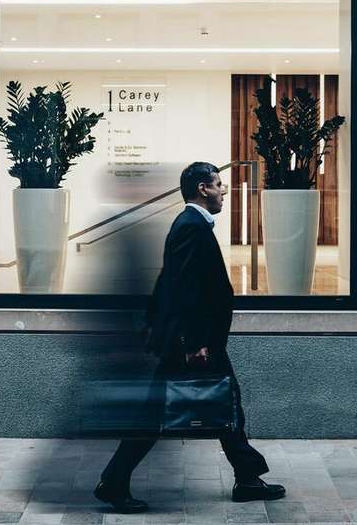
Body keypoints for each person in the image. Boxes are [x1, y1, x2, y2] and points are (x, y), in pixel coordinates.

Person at [94, 162, 286, 513]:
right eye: (219, 185)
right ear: (203, 189)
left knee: (227, 402)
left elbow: (170, 279)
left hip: (194, 339)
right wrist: (194, 343)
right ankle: (114, 481)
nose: (224, 190)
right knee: (162, 413)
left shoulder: (192, 225)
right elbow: (182, 288)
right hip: (194, 342)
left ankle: (247, 477)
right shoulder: (192, 227)